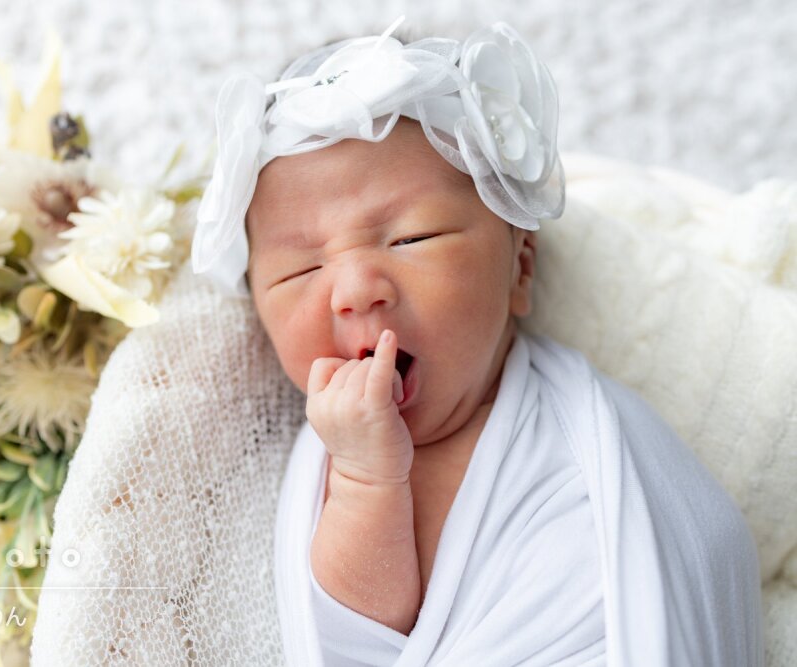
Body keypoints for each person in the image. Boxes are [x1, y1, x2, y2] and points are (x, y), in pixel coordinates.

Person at [191, 16, 764, 666]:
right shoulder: (337, 464)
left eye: (411, 238)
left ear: (519, 268)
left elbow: (696, 544)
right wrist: (363, 477)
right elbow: (356, 640)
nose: (354, 290)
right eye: (301, 270)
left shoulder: (596, 447)